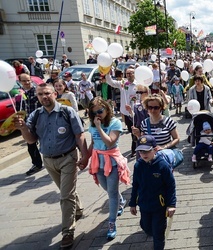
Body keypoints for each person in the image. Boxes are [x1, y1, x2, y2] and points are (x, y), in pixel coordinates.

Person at [13, 83, 89, 248]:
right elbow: (31, 139)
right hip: (48, 160)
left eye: (47, 93)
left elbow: (79, 134)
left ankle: (67, 232)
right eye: (40, 94)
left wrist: (85, 155)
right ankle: (78, 209)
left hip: (68, 157)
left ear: (55, 94)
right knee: (65, 191)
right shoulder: (36, 114)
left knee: (65, 196)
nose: (44, 97)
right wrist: (23, 128)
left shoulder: (66, 111)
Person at [87, 97, 130, 240]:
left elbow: (110, 142)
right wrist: (84, 158)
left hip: (111, 160)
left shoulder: (115, 123)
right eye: (94, 113)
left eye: (100, 111)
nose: (97, 115)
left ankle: (111, 223)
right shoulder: (92, 124)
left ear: (107, 108)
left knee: (111, 193)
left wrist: (99, 128)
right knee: (108, 189)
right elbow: (93, 143)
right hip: (97, 161)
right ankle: (120, 201)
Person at [129, 135, 176, 250]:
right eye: (141, 151)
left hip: (159, 206)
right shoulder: (138, 165)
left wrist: (171, 205)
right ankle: (150, 228)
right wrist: (132, 203)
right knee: (146, 227)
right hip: (144, 204)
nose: (144, 154)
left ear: (155, 150)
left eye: (147, 151)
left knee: (158, 233)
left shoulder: (162, 165)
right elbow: (135, 185)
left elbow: (170, 185)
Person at [15, 73, 43, 176]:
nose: (27, 83)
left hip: (40, 121)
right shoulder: (19, 95)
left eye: (28, 80)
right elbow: (18, 109)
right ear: (20, 82)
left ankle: (52, 162)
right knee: (31, 145)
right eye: (24, 81)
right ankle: (37, 164)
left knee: (46, 142)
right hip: (28, 124)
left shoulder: (37, 92)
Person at [105, 68, 137, 154]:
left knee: (135, 131)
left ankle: (135, 148)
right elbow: (110, 82)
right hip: (126, 112)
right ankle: (135, 146)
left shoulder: (138, 84)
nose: (129, 75)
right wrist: (108, 73)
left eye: (131, 73)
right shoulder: (123, 83)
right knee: (131, 131)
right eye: (127, 73)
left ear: (134, 74)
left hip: (135, 112)